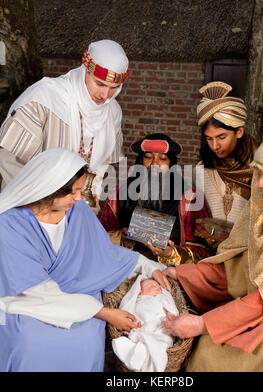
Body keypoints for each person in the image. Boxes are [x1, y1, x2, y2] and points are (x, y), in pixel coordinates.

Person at [0, 147, 171, 372]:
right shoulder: (9, 225)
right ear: (49, 189)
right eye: (74, 192)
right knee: (30, 343)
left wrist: (148, 266)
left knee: (87, 340)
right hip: (27, 303)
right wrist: (105, 313)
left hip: (80, 295)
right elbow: (34, 291)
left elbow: (103, 252)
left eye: (81, 190)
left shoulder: (77, 211)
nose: (80, 198)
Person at [162, 129, 263, 372]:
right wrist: (181, 273)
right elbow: (236, 271)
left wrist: (202, 323)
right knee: (207, 348)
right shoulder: (262, 210)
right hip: (259, 308)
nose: (261, 184)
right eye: (259, 173)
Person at [0, 39, 130, 213]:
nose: (105, 95)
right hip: (27, 208)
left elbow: (101, 165)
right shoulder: (44, 97)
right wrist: (45, 203)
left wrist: (91, 195)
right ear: (86, 70)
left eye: (114, 87)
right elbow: (8, 159)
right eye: (100, 84)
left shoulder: (112, 112)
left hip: (73, 209)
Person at [100, 133, 209, 265]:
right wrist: (120, 239)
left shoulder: (188, 199)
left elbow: (202, 253)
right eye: (148, 157)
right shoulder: (120, 194)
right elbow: (99, 238)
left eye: (162, 159)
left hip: (170, 272)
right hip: (127, 266)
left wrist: (171, 253)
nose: (154, 164)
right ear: (140, 161)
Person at [195, 82, 259, 248]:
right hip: (212, 253)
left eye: (221, 137)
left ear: (239, 132)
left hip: (247, 255)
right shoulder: (202, 170)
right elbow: (201, 217)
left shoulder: (261, 169)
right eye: (209, 138)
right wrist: (206, 235)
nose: (215, 146)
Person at [112, 275, 178, 372]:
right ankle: (144, 345)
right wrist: (134, 323)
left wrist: (170, 315)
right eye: (151, 285)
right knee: (144, 328)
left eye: (157, 285)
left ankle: (143, 349)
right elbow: (131, 313)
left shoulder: (162, 299)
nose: (156, 286)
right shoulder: (139, 301)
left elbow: (173, 311)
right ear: (139, 292)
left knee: (165, 336)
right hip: (144, 325)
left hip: (162, 326)